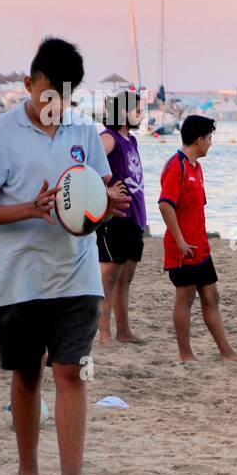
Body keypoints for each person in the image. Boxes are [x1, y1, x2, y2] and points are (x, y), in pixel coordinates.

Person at [0, 36, 130, 475]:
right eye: (46, 97)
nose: (54, 108)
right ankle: (28, 474)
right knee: (26, 374)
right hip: (18, 278)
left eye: (64, 98)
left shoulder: (84, 132)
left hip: (76, 275)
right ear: (28, 84)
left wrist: (110, 207)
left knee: (71, 372)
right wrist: (30, 208)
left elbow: (93, 205)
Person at [159, 115, 237, 363]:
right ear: (198, 139)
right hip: (182, 250)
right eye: (209, 138)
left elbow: (193, 208)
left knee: (211, 297)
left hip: (201, 248)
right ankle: (185, 353)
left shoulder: (197, 167)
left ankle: (226, 352)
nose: (211, 143)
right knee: (185, 298)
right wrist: (181, 241)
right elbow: (165, 205)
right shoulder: (177, 165)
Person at [96, 89, 147, 344]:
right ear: (124, 112)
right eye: (138, 110)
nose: (142, 114)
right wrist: (105, 190)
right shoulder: (109, 138)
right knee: (109, 276)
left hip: (134, 217)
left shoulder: (132, 141)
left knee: (126, 277)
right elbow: (85, 160)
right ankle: (104, 332)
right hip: (114, 217)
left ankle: (123, 331)